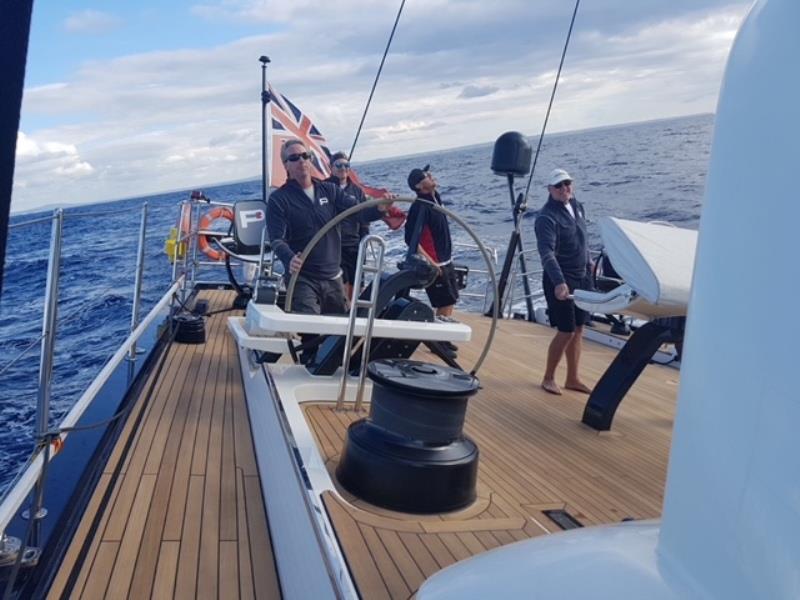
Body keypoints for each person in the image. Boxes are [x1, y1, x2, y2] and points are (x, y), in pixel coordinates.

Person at [266, 139, 387, 319]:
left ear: (310, 160)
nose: (301, 161)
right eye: (294, 158)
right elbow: (276, 239)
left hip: (332, 276)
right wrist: (289, 257)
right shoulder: (278, 200)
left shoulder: (330, 190)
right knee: (310, 332)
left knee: (337, 335)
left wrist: (380, 209)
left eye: (305, 156)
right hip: (302, 278)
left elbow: (358, 213)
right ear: (286, 165)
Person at [534, 168, 594, 395]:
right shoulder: (546, 217)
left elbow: (584, 238)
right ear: (550, 190)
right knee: (566, 330)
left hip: (582, 276)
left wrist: (589, 264)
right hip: (560, 278)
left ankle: (572, 378)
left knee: (579, 328)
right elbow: (546, 253)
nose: (564, 188)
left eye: (567, 183)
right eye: (558, 185)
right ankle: (548, 377)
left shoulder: (577, 206)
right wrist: (559, 282)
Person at [405, 165, 460, 328]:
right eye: (426, 177)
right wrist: (431, 263)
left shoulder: (434, 197)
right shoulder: (420, 207)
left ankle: (445, 334)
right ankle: (440, 336)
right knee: (443, 301)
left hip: (446, 259)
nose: (431, 177)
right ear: (418, 186)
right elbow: (411, 239)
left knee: (451, 298)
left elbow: (433, 188)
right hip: (436, 262)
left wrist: (430, 180)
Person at [325, 151, 369, 302]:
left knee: (357, 285)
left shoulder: (357, 191)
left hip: (354, 245)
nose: (343, 168)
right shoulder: (324, 188)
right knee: (340, 285)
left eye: (346, 165)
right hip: (333, 246)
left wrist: (365, 242)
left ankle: (353, 315)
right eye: (339, 165)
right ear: (331, 167)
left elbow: (364, 220)